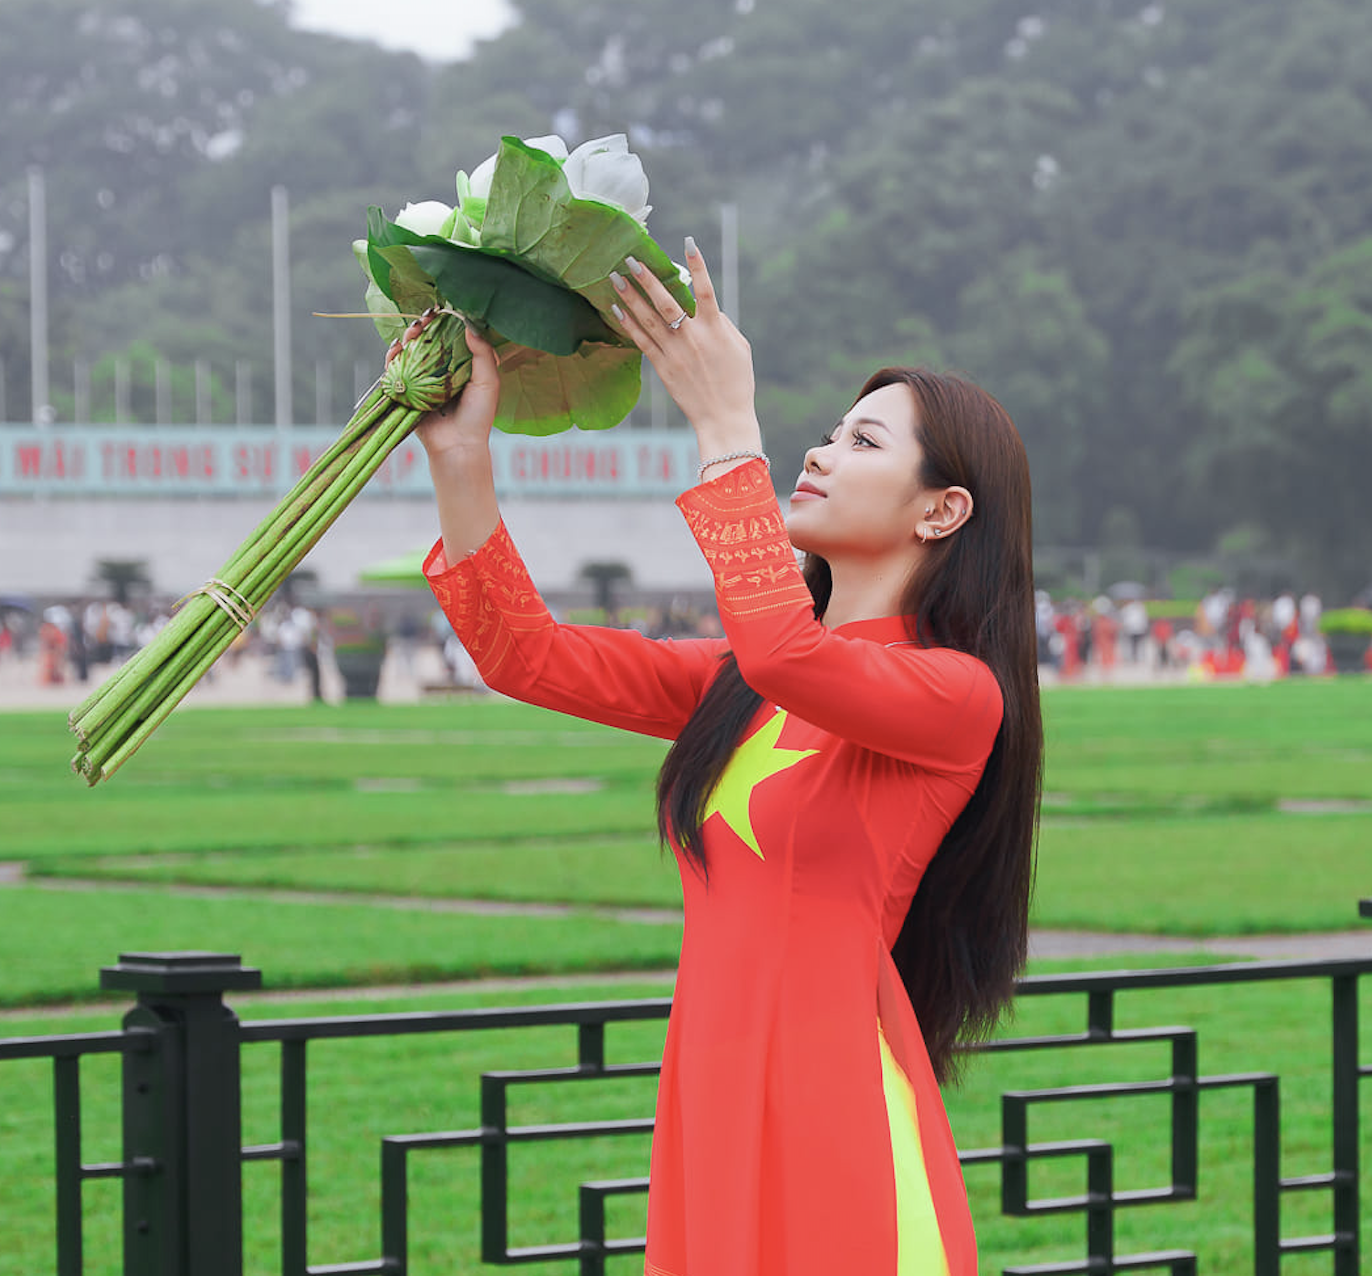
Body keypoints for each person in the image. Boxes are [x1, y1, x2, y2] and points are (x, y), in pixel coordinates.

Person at [396, 242, 1042, 1276]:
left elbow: (788, 649)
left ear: (941, 510)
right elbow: (526, 655)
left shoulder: (954, 697)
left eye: (862, 441)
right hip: (713, 1091)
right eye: (827, 432)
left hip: (834, 1108)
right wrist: (459, 457)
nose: (821, 452)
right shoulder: (739, 684)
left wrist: (725, 427)